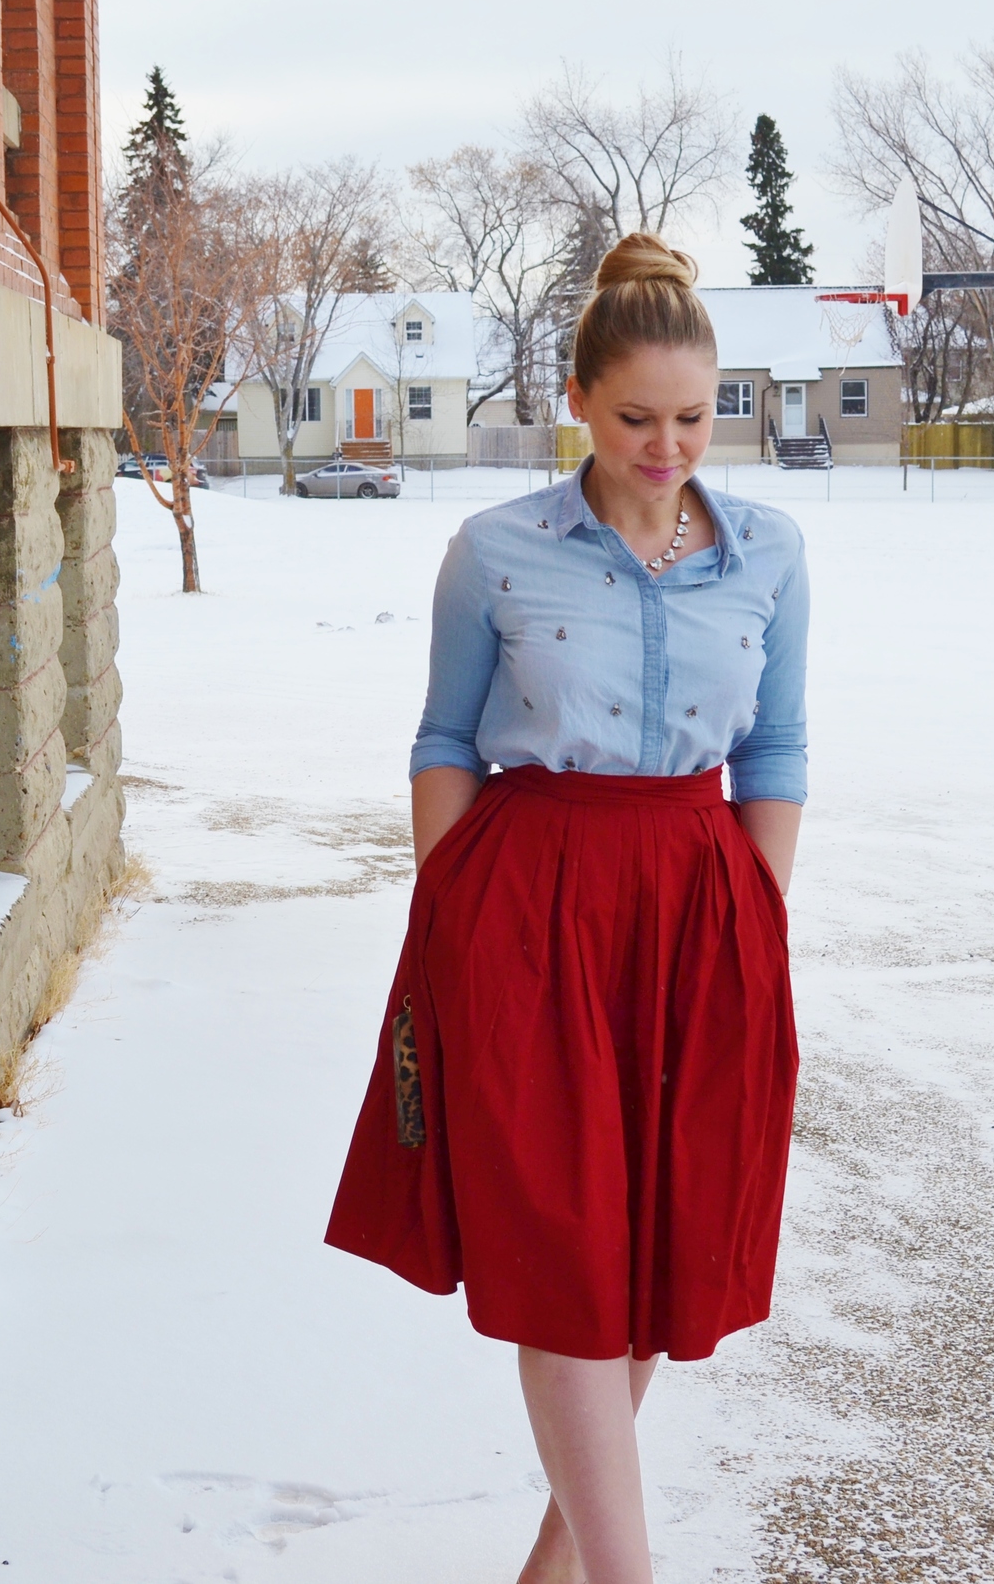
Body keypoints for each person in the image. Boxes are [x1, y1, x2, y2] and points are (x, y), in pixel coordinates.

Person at [325, 232, 808, 1584]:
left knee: (648, 1256)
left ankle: (555, 1571)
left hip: (701, 909)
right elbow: (442, 741)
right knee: (562, 1252)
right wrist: (461, 920)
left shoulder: (771, 555)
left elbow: (777, 748)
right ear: (580, 404)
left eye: (697, 418)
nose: (668, 448)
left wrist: (753, 928)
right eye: (637, 417)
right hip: (531, 914)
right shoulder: (496, 551)